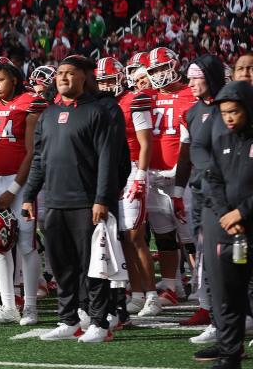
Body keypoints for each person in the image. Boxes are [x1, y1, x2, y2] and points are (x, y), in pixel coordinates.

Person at [23, 56, 119, 343]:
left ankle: (100, 322)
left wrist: (102, 198)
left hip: (86, 202)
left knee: (92, 266)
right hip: (53, 201)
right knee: (61, 266)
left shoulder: (98, 111)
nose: (63, 78)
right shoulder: (48, 114)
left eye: (70, 73)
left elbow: (107, 160)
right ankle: (69, 319)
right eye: (60, 73)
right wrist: (29, 195)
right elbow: (39, 158)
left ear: (83, 78)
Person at [0, 61, 47, 326]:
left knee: (26, 245)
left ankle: (29, 306)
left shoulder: (30, 102)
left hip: (21, 183)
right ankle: (8, 305)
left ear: (14, 80)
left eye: (0, 80)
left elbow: (32, 152)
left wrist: (14, 190)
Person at [94, 57, 161, 318]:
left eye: (111, 80)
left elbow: (145, 142)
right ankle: (136, 293)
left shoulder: (135, 100)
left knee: (136, 236)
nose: (108, 86)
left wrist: (141, 176)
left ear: (122, 78)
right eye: (103, 81)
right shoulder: (99, 104)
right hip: (111, 171)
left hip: (132, 168)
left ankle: (153, 295)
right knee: (121, 238)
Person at [201, 80, 253, 369]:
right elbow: (213, 179)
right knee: (228, 296)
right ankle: (229, 356)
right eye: (224, 113)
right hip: (229, 230)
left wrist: (241, 213)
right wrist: (226, 215)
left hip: (245, 223)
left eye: (235, 111)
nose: (229, 118)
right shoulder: (222, 140)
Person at [176, 55, 227, 342]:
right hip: (198, 190)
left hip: (226, 191)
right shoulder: (191, 112)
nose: (191, 82)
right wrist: (177, 191)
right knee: (203, 251)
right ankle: (209, 310)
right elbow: (186, 156)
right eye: (190, 77)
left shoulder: (229, 107)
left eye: (197, 76)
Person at [144, 47, 196, 306]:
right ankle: (172, 286)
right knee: (163, 235)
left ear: (175, 65)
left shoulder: (191, 94)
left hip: (184, 175)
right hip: (154, 174)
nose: (159, 74)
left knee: (191, 237)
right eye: (153, 70)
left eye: (162, 68)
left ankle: (200, 285)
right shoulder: (146, 97)